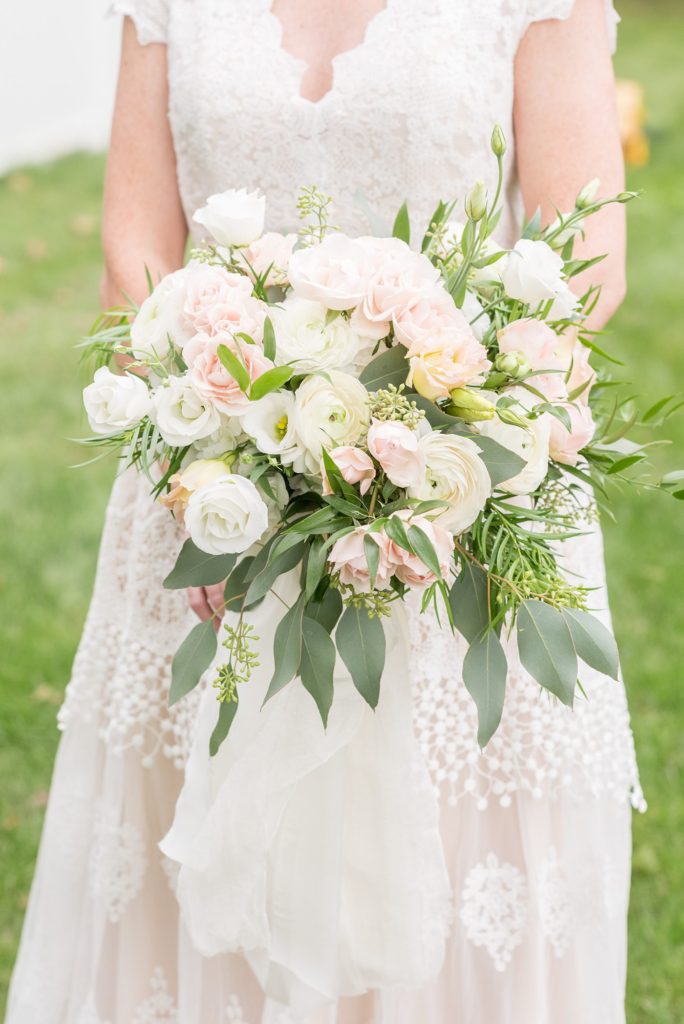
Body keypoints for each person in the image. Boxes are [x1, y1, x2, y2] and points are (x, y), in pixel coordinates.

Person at [6, 1, 643, 1021]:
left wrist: (424, 423)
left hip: (455, 489)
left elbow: (588, 252)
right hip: (210, 498)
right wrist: (221, 433)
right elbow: (136, 247)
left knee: (450, 849)